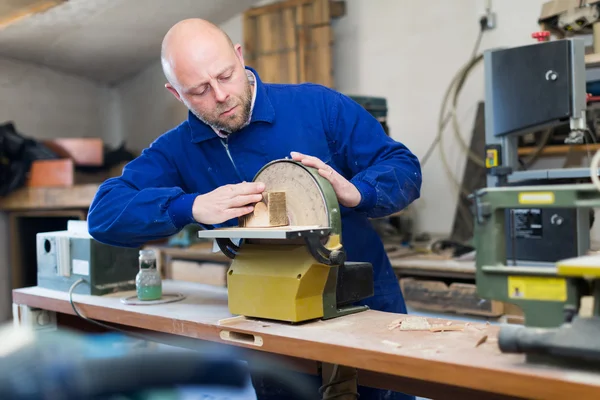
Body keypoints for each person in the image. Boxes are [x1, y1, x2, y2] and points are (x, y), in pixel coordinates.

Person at [87, 18, 422, 400]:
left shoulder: (317, 106)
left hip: (365, 306)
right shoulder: (178, 149)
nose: (220, 96)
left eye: (225, 76)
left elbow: (403, 166)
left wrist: (356, 191)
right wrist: (190, 206)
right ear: (176, 94)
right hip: (270, 322)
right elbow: (104, 215)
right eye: (199, 90)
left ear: (239, 55)